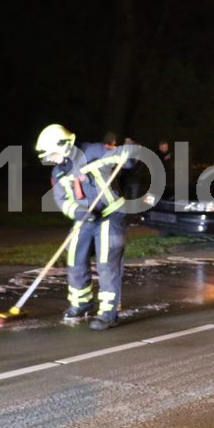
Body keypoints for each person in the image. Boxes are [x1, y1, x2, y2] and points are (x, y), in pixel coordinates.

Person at [38, 127, 137, 330]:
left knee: (106, 261)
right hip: (85, 219)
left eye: (52, 154)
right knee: (74, 257)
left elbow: (125, 162)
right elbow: (61, 199)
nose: (51, 159)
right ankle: (81, 302)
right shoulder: (58, 172)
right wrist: (77, 212)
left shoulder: (93, 151)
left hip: (110, 214)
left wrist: (129, 152)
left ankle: (108, 312)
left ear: (64, 146)